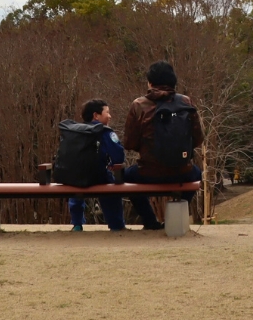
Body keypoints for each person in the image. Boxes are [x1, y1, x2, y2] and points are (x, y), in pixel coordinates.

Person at [123, 60, 204, 230]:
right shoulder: (186, 102)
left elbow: (129, 143)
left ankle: (150, 221)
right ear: (173, 81)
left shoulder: (139, 105)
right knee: (196, 173)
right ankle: (174, 219)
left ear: (150, 83)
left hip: (148, 172)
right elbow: (198, 139)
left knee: (126, 176)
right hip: (181, 171)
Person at [68, 99, 126, 232]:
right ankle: (116, 224)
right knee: (111, 191)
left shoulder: (75, 131)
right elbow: (118, 155)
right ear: (96, 115)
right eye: (107, 112)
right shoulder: (105, 132)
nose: (110, 116)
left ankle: (77, 224)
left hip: (76, 176)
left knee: (76, 191)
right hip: (98, 176)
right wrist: (113, 164)